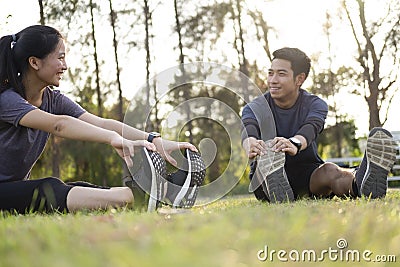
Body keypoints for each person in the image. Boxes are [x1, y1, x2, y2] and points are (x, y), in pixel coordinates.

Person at [0, 25, 202, 214]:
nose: (65, 66)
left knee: (79, 188)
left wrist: (155, 141)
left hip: (11, 189)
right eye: (60, 58)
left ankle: (161, 193)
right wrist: (111, 138)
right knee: (48, 188)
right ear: (34, 62)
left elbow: (102, 123)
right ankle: (144, 195)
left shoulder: (53, 99)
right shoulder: (7, 100)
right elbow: (59, 125)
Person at [241, 47, 397, 202]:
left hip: (306, 172)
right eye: (270, 73)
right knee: (266, 157)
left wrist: (294, 143)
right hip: (265, 174)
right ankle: (273, 186)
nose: (272, 80)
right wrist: (251, 143)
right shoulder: (256, 107)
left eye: (281, 74)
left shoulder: (315, 104)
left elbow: (311, 127)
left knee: (330, 171)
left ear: (299, 79)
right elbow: (249, 126)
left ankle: (360, 184)